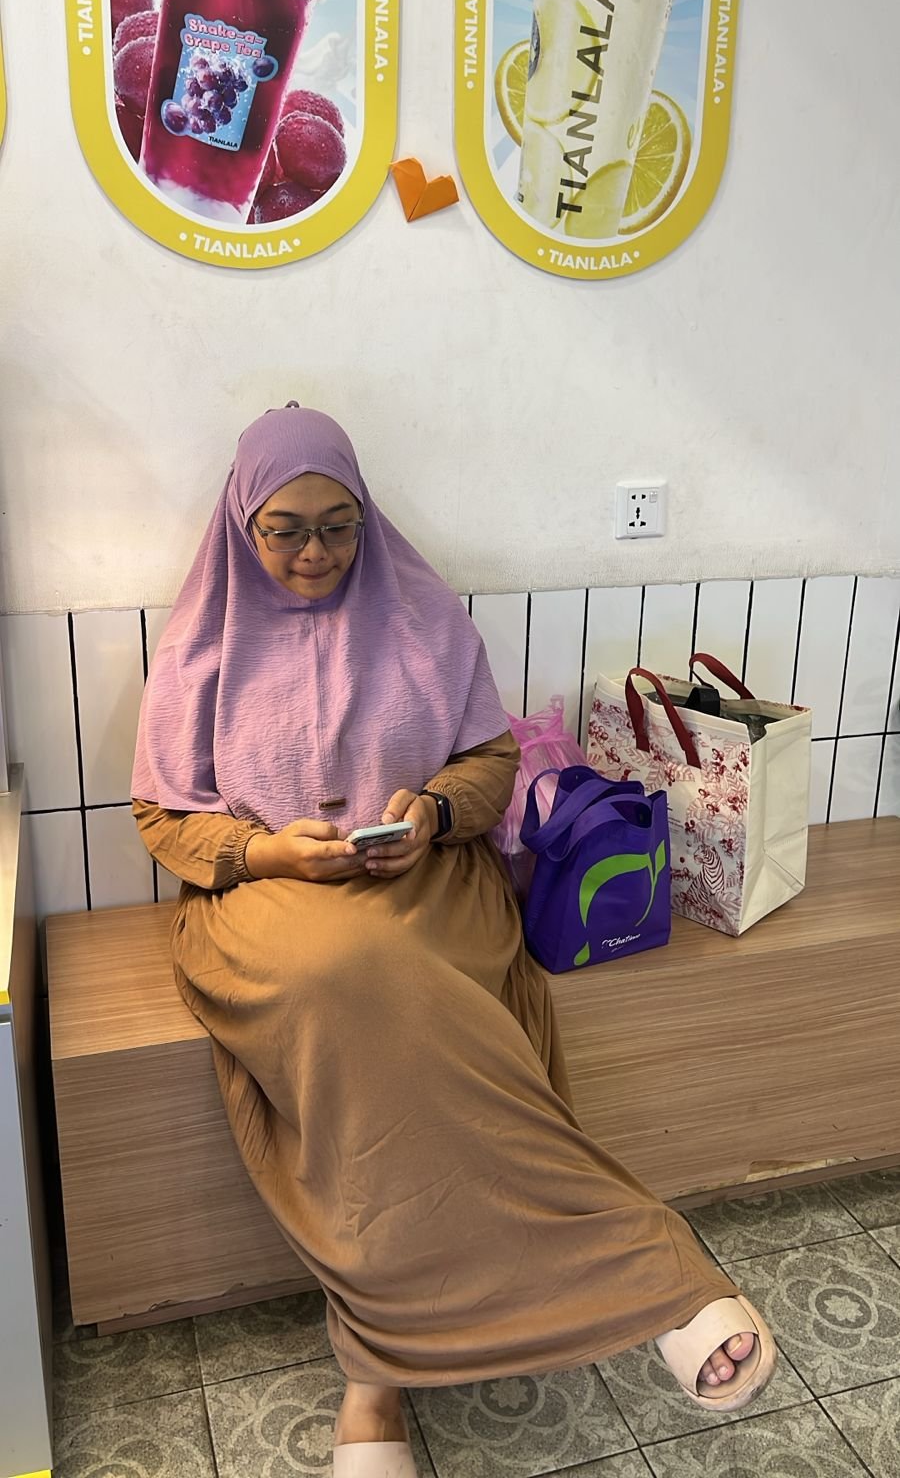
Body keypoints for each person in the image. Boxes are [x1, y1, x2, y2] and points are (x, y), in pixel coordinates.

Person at [132, 405, 776, 1478]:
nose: (313, 552)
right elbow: (161, 816)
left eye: (337, 526)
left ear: (365, 516)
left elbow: (488, 763)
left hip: (426, 880)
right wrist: (268, 851)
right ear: (241, 524)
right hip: (263, 893)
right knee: (346, 976)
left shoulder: (422, 613)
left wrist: (431, 815)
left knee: (401, 977)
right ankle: (644, 1274)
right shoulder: (202, 641)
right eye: (284, 529)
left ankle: (380, 1373)